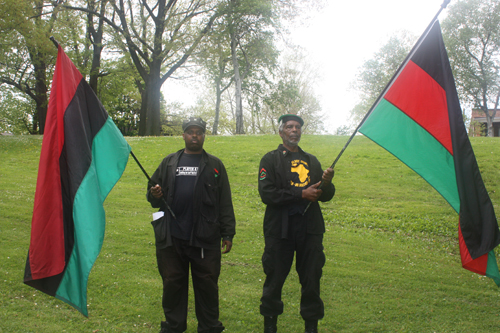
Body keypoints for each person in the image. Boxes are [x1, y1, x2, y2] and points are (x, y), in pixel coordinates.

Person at [147, 117, 236, 333]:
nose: (194, 135)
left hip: (204, 238)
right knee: (172, 284)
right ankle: (174, 326)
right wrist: (155, 194)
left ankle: (209, 327)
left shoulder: (215, 166)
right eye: (190, 132)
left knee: (207, 286)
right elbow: (152, 195)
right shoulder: (168, 162)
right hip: (172, 237)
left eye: (199, 132)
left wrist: (228, 233)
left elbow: (224, 201)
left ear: (204, 135)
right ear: (184, 135)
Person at [258, 114, 335, 333]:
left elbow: (325, 195)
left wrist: (327, 183)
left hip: (309, 230)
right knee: (274, 278)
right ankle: (270, 326)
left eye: (298, 127)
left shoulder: (311, 161)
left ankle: (311, 326)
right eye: (290, 127)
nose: (294, 130)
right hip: (279, 230)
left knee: (311, 279)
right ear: (281, 132)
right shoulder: (270, 160)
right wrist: (300, 194)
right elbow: (267, 193)